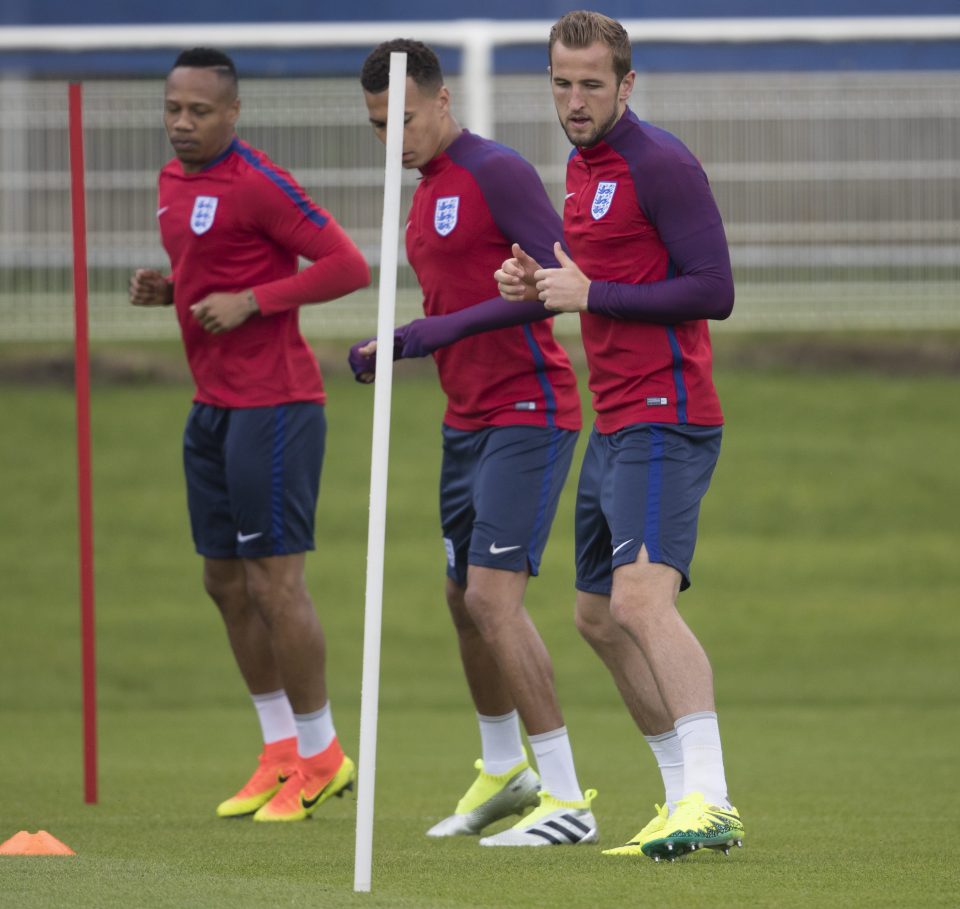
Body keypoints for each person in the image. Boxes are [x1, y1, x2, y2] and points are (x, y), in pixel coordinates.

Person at [496, 10, 744, 861]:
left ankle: (710, 798)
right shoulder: (580, 166)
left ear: (626, 84)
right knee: (598, 616)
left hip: (665, 412)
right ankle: (682, 799)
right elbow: (593, 268)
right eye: (562, 83)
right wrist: (534, 278)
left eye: (591, 83)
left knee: (641, 599)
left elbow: (714, 289)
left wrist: (590, 294)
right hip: (615, 416)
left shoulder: (661, 163)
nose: (574, 99)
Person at [353, 39, 597, 847]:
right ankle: (505, 771)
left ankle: (567, 799)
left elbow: (555, 287)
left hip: (530, 410)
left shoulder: (495, 171)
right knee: (462, 600)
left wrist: (424, 333)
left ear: (443, 99)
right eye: (380, 126)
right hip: (465, 419)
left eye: (407, 119)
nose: (396, 138)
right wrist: (390, 345)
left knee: (494, 599)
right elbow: (444, 307)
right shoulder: (421, 195)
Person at [129, 47, 370, 822]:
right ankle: (277, 754)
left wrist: (256, 301)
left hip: (276, 406)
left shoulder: (259, 182)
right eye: (173, 108)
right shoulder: (172, 183)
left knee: (275, 584)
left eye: (199, 111)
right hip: (213, 406)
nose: (182, 123)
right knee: (223, 582)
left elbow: (347, 265)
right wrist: (172, 289)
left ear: (232, 114)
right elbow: (211, 266)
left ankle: (323, 754)